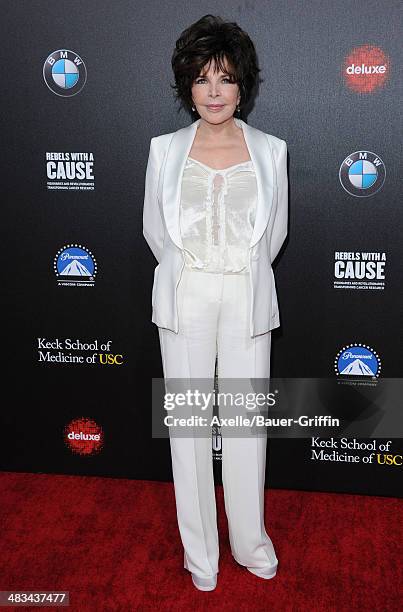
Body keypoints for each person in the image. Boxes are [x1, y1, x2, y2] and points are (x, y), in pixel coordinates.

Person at [143, 14, 288, 592]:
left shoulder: (271, 151)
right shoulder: (164, 150)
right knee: (188, 430)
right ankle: (200, 555)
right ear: (188, 86)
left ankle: (251, 544)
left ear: (241, 84)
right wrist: (192, 274)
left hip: (247, 295)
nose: (213, 92)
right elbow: (156, 231)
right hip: (185, 298)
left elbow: (273, 235)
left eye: (224, 78)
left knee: (247, 426)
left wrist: (240, 273)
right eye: (202, 79)